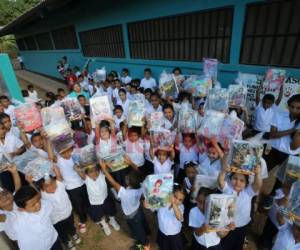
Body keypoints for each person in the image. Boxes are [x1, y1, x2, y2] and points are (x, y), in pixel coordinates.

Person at [99, 161, 150, 250]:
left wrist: (104, 169)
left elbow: (112, 182)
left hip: (132, 216)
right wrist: (130, 162)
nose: (126, 177)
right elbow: (139, 173)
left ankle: (145, 245)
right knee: (142, 224)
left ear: (129, 182)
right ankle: (147, 232)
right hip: (138, 210)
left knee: (138, 231)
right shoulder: (141, 186)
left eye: (128, 178)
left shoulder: (125, 193)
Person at [218, 156, 262, 250]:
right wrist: (223, 171)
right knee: (225, 245)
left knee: (238, 245)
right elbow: (220, 181)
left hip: (242, 225)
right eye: (235, 178)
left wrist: (257, 174)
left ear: (246, 183)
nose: (237, 182)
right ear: (231, 178)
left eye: (242, 180)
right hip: (228, 225)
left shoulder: (248, 192)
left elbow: (258, 185)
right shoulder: (227, 189)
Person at [31, 170, 81, 250]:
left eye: (52, 183)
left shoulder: (60, 186)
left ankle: (73, 233)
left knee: (71, 225)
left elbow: (58, 175)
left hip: (68, 213)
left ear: (55, 181)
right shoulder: (43, 196)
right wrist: (30, 182)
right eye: (47, 186)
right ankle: (67, 241)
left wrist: (53, 164)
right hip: (56, 219)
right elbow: (35, 191)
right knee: (61, 232)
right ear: (42, 189)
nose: (51, 186)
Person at [12, 186, 63, 250]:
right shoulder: (20, 222)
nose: (38, 204)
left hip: (53, 239)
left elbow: (50, 208)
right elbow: (23, 242)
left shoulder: (45, 204)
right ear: (22, 209)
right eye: (33, 205)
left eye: (38, 200)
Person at [76, 164, 120, 236]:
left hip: (105, 198)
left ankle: (112, 220)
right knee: (99, 215)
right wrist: (80, 167)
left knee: (111, 210)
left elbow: (104, 166)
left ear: (99, 170)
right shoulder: (86, 179)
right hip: (95, 203)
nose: (94, 173)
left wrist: (100, 164)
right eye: (91, 172)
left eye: (96, 170)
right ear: (86, 173)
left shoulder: (102, 174)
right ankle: (104, 224)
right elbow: (76, 169)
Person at [56, 145, 89, 233]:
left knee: (86, 200)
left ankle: (89, 214)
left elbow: (84, 165)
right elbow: (51, 156)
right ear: (59, 153)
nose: (66, 154)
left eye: (68, 151)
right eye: (63, 153)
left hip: (82, 183)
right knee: (78, 205)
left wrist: (79, 169)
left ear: (71, 149)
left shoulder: (76, 155)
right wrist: (46, 139)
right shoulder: (59, 160)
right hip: (71, 187)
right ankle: (82, 220)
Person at [156, 185, 185, 250]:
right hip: (162, 231)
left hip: (174, 234)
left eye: (180, 200)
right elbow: (152, 206)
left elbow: (179, 217)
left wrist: (173, 204)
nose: (177, 200)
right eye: (175, 196)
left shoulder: (181, 207)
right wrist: (147, 204)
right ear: (171, 194)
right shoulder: (162, 201)